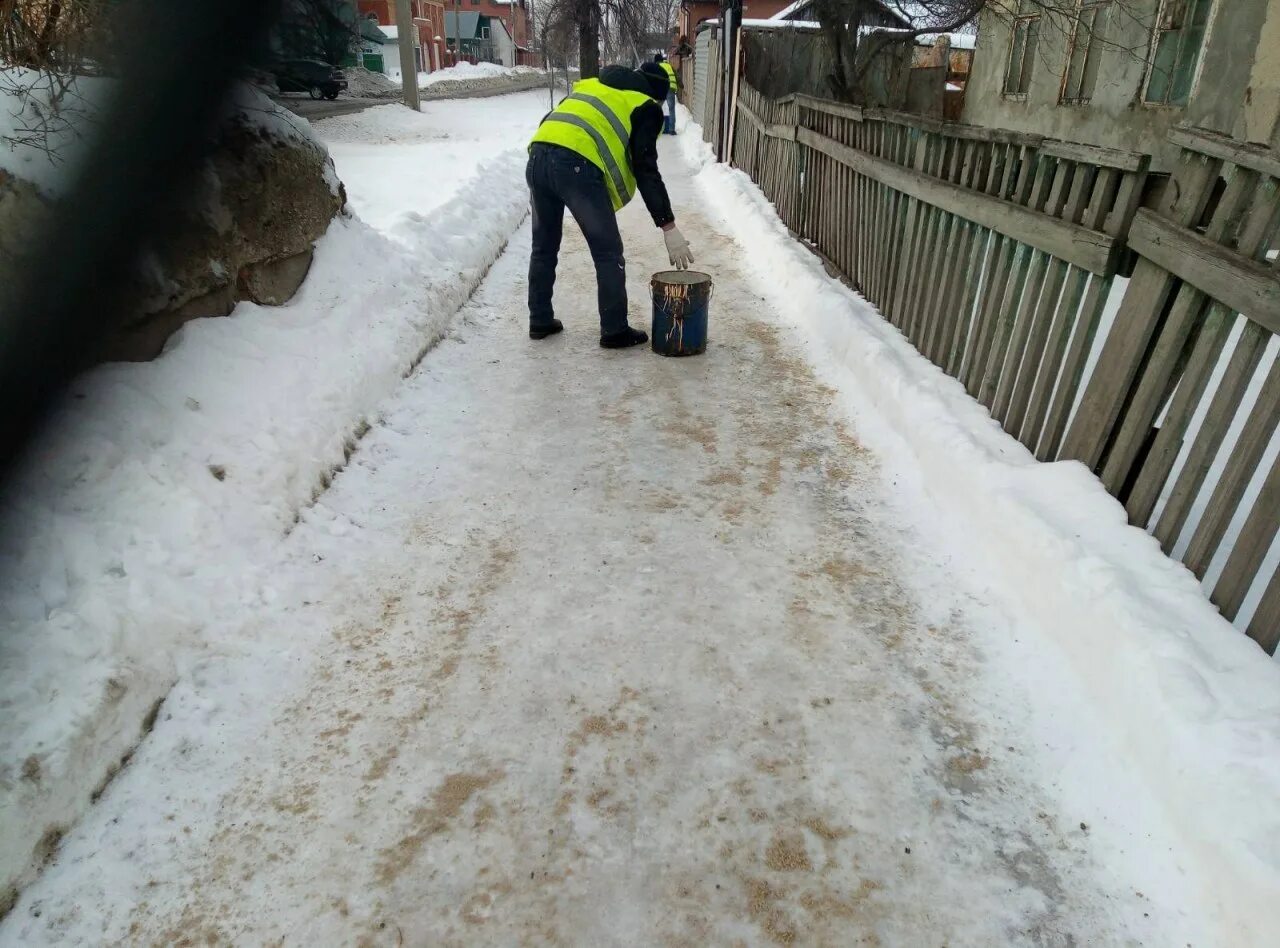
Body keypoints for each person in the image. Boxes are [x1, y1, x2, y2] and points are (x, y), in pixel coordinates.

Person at [525, 63, 695, 349]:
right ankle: (614, 329)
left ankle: (540, 319)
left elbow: (555, 118)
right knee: (608, 251)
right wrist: (668, 225)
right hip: (576, 165)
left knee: (543, 246)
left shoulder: (592, 84)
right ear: (656, 95)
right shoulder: (645, 106)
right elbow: (645, 167)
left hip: (538, 155)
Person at [654, 53, 679, 135]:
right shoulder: (668, 65)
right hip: (671, 88)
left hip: (663, 88)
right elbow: (676, 76)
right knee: (671, 109)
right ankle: (671, 130)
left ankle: (656, 128)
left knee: (656, 108)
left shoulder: (657, 67)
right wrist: (681, 85)